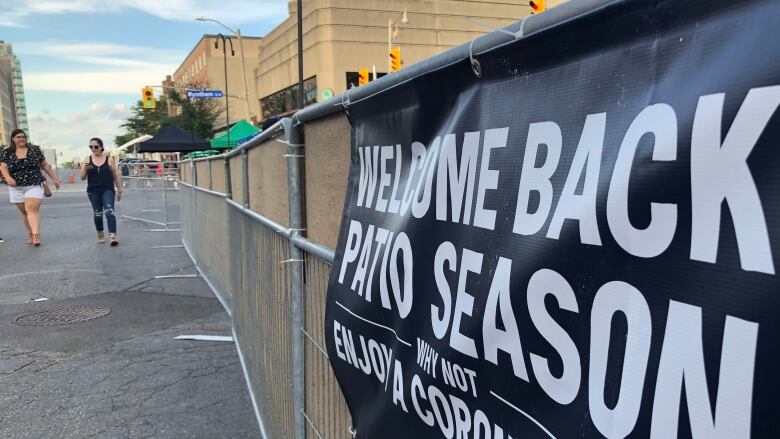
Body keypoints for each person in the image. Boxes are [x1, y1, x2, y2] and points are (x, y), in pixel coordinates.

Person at [0, 128, 61, 246]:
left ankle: (36, 235)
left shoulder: (34, 150)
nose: (21, 139)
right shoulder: (6, 152)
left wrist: (54, 179)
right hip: (15, 186)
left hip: (34, 184)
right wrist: (8, 178)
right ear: (13, 139)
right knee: (24, 212)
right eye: (18, 137)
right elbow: (3, 167)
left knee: (32, 209)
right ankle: (30, 233)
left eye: (23, 136)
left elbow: (45, 165)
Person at [80, 137, 122, 246]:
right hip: (93, 191)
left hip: (107, 189)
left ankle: (113, 236)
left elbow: (115, 176)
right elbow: (82, 177)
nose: (93, 148)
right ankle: (100, 233)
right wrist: (85, 168)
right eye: (91, 147)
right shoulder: (87, 160)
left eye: (96, 146)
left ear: (101, 147)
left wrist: (119, 190)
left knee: (109, 211)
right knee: (98, 213)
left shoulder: (109, 160)